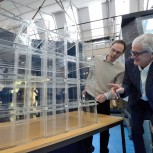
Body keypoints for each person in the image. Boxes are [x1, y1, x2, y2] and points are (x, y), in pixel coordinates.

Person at [109, 33, 153, 153]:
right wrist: (123, 89)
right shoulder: (129, 64)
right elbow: (129, 84)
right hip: (138, 102)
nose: (132, 56)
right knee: (135, 132)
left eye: (136, 53)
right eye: (132, 52)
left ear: (151, 54)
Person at [82, 39, 126, 153]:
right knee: (87, 126)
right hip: (89, 96)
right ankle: (87, 148)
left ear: (122, 54)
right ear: (110, 47)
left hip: (104, 99)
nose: (114, 54)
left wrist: (106, 96)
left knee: (104, 128)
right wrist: (86, 88)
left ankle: (104, 150)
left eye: (118, 52)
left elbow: (118, 87)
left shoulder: (121, 68)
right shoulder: (96, 59)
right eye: (113, 50)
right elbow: (91, 74)